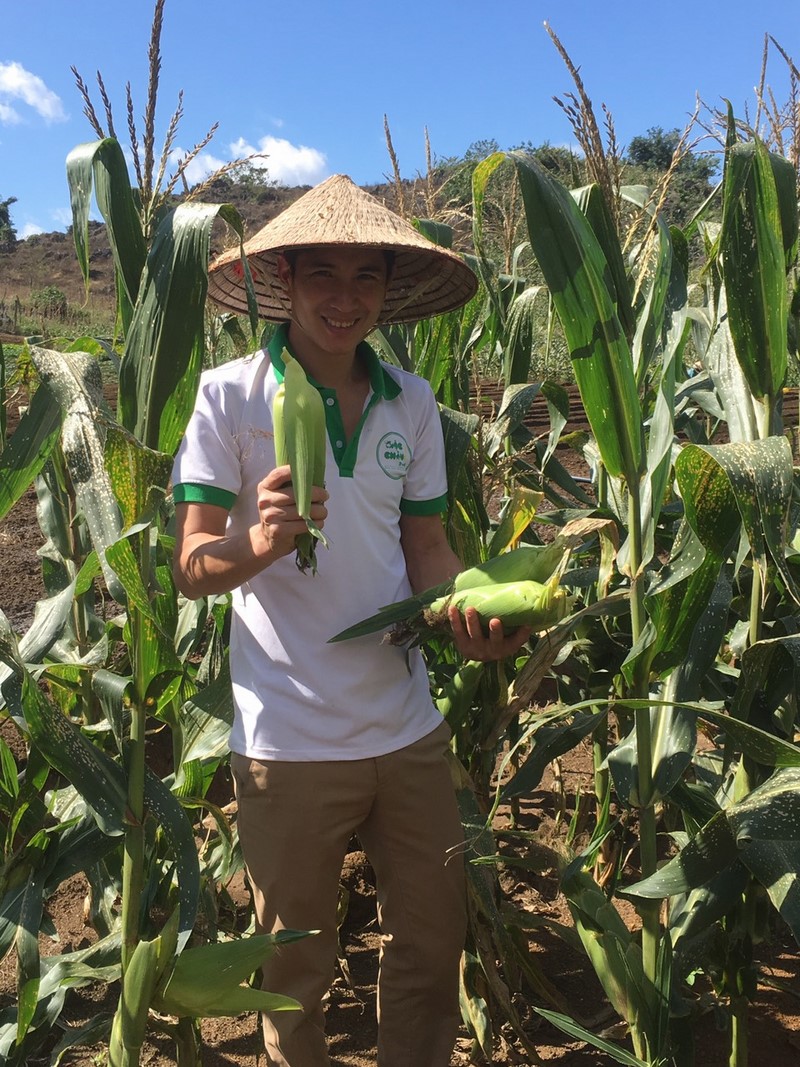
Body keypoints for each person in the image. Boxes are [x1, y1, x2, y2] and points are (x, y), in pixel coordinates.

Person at [171, 174, 531, 1067]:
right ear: (285, 280)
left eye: (365, 278)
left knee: (430, 945)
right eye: (322, 275)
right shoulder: (230, 397)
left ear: (388, 291)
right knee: (290, 969)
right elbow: (190, 567)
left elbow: (428, 551)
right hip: (287, 737)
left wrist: (464, 611)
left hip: (405, 725)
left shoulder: (412, 403)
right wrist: (257, 541)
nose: (344, 298)